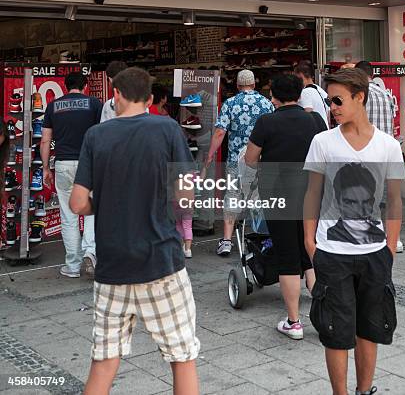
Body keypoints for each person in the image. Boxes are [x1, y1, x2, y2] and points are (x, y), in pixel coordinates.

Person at [69, 67, 199, 395]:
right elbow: (185, 197)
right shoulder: (168, 129)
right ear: (151, 99)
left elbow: (77, 203)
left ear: (116, 95)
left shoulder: (96, 136)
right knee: (182, 358)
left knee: (104, 360)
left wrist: (105, 202)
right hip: (161, 261)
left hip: (112, 266)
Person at [304, 68, 405, 395]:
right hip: (331, 253)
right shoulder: (322, 142)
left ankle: (364, 390)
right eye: (329, 100)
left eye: (338, 100)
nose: (332, 107)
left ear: (359, 97)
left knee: (369, 329)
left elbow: (394, 200)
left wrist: (389, 247)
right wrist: (309, 241)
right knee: (335, 331)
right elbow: (311, 193)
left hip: (374, 254)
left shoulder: (388, 146)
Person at [245, 75, 327, 340]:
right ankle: (323, 314)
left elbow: (250, 159)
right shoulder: (314, 120)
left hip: (278, 194)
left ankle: (294, 322)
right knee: (310, 250)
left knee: (287, 256)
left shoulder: (267, 122)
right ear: (300, 94)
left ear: (273, 96)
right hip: (312, 194)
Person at [205, 69, 274, 256]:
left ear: (237, 85)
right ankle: (261, 239)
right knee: (258, 198)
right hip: (259, 159)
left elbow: (220, 132)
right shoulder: (266, 103)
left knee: (233, 195)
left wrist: (210, 155)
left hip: (236, 159)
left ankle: (226, 241)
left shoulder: (230, 103)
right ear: (254, 84)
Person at [41, 72, 103, 278]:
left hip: (63, 164)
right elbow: (103, 135)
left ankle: (73, 265)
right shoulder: (94, 104)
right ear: (85, 86)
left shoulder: (53, 106)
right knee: (92, 210)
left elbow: (45, 140)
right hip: (90, 163)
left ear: (66, 86)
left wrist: (46, 168)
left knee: (69, 216)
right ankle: (91, 254)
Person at [354, 61, 403, 253]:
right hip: (387, 151)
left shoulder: (360, 95)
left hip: (367, 151)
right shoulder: (386, 94)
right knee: (388, 199)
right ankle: (394, 239)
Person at [294, 61, 329, 127]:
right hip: (325, 130)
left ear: (300, 75)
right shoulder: (321, 90)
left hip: (314, 133)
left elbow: (308, 114)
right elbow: (328, 116)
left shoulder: (305, 92)